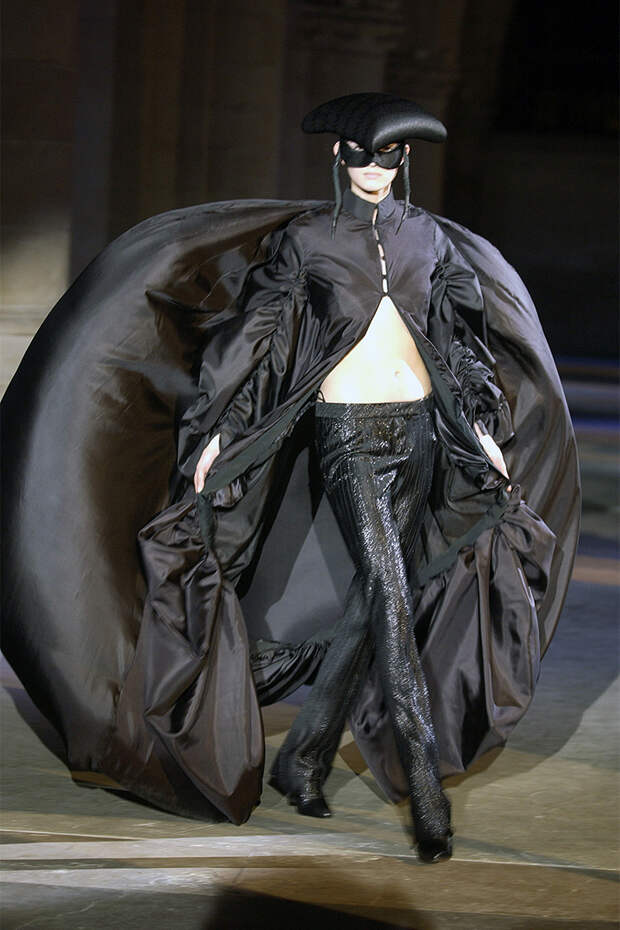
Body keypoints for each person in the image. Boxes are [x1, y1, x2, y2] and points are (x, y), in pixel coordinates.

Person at [1, 93, 580, 860]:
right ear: (338, 156)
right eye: (362, 154)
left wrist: (479, 428)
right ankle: (426, 797)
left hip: (420, 436)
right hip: (350, 439)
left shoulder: (428, 240)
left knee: (370, 602)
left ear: (405, 160)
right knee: (392, 601)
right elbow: (260, 337)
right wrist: (222, 427)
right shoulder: (309, 242)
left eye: (389, 156)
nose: (375, 169)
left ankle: (303, 760)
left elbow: (456, 341)